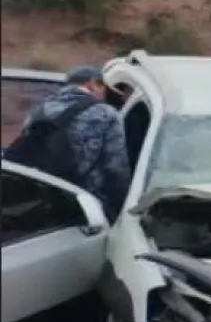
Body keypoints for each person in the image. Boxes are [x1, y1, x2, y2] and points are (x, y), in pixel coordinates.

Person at [4, 65, 131, 221]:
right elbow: (116, 167)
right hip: (86, 205)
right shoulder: (106, 114)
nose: (103, 94)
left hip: (42, 200)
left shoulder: (39, 110)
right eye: (102, 88)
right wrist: (121, 205)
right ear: (92, 84)